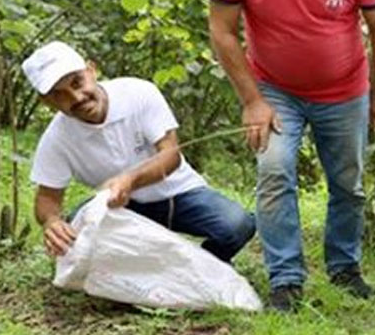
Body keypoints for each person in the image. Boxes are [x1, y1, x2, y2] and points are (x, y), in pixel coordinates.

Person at [206, 0, 375, 311]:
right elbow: (222, 31)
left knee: (348, 183)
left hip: (345, 89)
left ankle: (345, 268)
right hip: (273, 89)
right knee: (274, 173)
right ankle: (286, 280)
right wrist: (252, 101)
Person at [23, 41, 255, 263]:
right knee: (73, 242)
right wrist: (52, 221)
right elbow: (47, 197)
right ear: (47, 102)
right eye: (59, 94)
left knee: (236, 225)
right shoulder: (57, 138)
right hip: (119, 208)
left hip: (179, 194)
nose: (76, 98)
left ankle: (203, 264)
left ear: (91, 70)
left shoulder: (137, 93)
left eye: (77, 83)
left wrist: (130, 180)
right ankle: (142, 271)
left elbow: (170, 154)